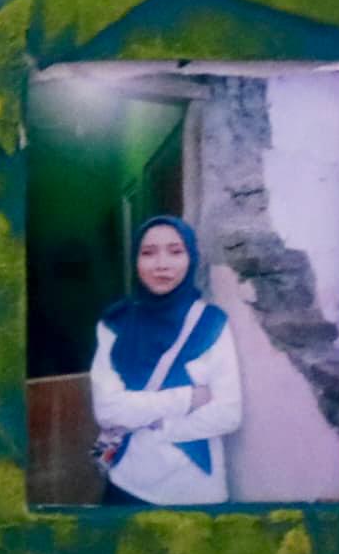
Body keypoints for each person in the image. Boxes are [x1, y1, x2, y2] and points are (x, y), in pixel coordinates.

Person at [89, 213, 242, 507]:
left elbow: (228, 414)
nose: (162, 264)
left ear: (191, 258)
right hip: (126, 481)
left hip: (194, 490)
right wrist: (187, 398)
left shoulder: (210, 324)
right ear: (135, 260)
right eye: (148, 253)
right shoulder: (115, 323)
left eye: (175, 251)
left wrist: (159, 426)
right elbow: (107, 411)